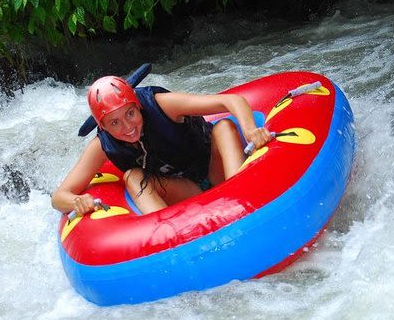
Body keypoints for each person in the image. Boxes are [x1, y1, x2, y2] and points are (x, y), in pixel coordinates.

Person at [51, 76, 272, 216]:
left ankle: (241, 194)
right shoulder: (101, 145)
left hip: (217, 170)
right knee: (132, 176)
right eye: (114, 122)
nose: (128, 127)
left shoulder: (161, 105)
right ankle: (167, 233)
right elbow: (59, 196)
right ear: (103, 126)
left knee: (223, 126)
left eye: (130, 113)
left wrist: (250, 129)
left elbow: (231, 101)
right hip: (185, 191)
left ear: (137, 105)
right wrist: (77, 201)